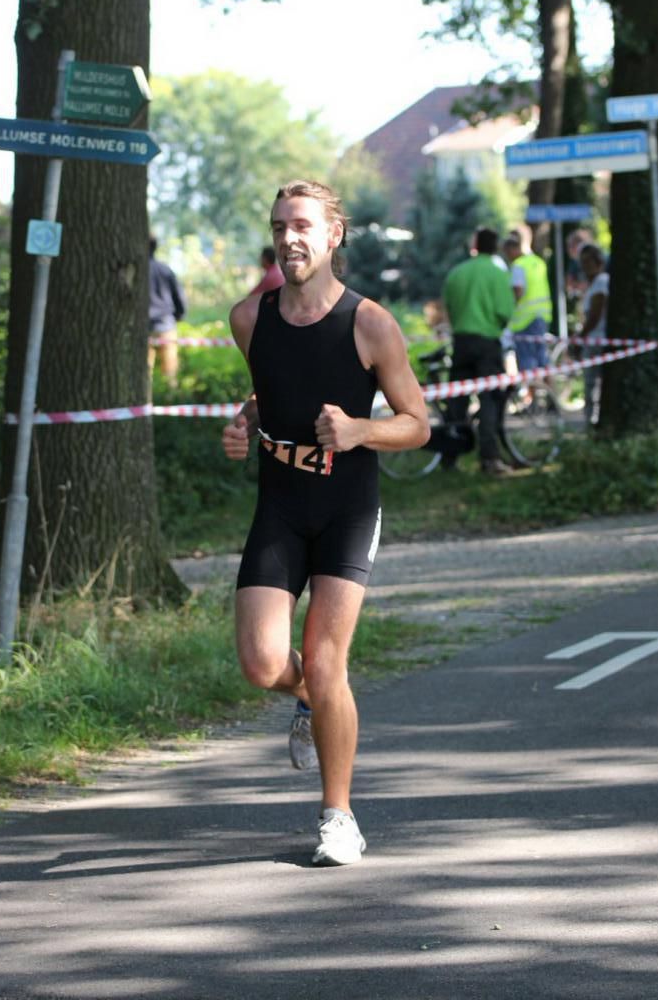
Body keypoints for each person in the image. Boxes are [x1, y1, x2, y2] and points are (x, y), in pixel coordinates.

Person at [221, 179, 429, 867]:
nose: (291, 237)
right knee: (261, 663)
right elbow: (271, 382)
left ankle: (338, 817)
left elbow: (418, 425)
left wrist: (360, 428)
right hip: (279, 501)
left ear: (333, 235)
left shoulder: (370, 323)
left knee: (331, 658)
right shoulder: (249, 317)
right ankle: (311, 695)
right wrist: (246, 419)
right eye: (281, 225)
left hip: (346, 504)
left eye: (304, 225)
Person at [442, 227, 516, 476]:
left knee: (456, 401)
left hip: (461, 342)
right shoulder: (498, 274)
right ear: (495, 247)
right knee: (490, 400)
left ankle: (449, 457)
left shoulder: (457, 273)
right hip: (487, 343)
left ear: (475, 245)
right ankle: (490, 457)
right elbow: (505, 312)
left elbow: (449, 308)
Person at [503, 227, 552, 372]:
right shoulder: (538, 262)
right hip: (542, 318)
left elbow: (517, 293)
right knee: (543, 363)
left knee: (527, 366)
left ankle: (530, 395)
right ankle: (552, 393)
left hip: (524, 322)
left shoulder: (519, 265)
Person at [577, 242, 610, 428]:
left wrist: (581, 335)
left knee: (593, 383)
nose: (584, 266)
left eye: (588, 262)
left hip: (597, 340)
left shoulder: (601, 282)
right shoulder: (593, 284)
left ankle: (592, 421)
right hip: (593, 339)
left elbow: (595, 315)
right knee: (591, 383)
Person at [148, 236, 187, 385]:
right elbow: (179, 297)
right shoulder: (165, 269)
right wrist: (179, 316)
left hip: (143, 328)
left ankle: (145, 404)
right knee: (170, 373)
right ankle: (170, 400)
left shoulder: (136, 270)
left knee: (144, 373)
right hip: (166, 325)